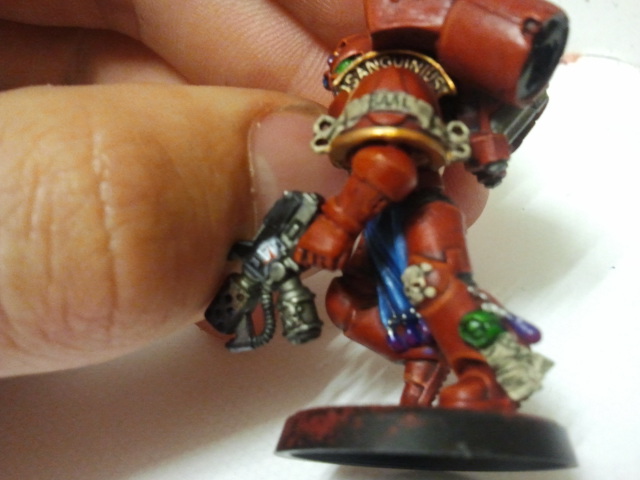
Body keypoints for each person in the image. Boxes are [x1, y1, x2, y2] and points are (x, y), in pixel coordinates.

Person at [0, 0, 487, 377]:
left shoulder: (392, 95)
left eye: (346, 60)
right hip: (373, 227)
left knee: (427, 294)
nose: (336, 64)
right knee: (346, 303)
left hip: (406, 215)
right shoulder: (356, 105)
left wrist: (337, 223)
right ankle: (426, 365)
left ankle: (459, 368)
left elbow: (390, 167)